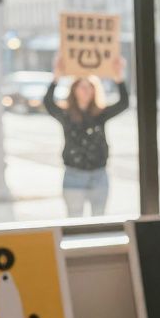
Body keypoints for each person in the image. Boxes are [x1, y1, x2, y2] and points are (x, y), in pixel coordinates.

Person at [45, 54, 129, 217]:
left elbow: (123, 103)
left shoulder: (99, 114)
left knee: (99, 220)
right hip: (74, 174)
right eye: (81, 86)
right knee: (75, 221)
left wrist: (118, 77)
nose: (86, 91)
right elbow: (48, 103)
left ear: (95, 90)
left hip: (99, 174)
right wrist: (56, 76)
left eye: (89, 86)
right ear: (74, 90)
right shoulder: (66, 115)